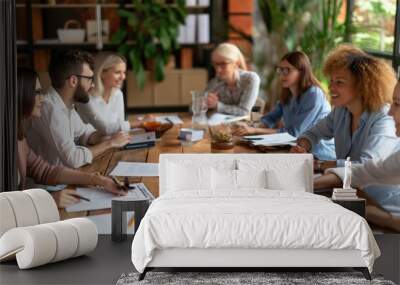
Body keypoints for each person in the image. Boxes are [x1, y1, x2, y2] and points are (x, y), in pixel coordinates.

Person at [17, 68, 126, 208]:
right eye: (37, 92)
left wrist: (99, 180)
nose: (42, 98)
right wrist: (49, 200)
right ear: (20, 94)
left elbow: (45, 171)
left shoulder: (19, 138)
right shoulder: (50, 109)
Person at [290, 44, 398, 170]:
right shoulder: (341, 111)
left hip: (370, 190)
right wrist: (302, 147)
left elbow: (365, 166)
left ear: (362, 87)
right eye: (331, 81)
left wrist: (319, 165)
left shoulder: (385, 118)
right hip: (347, 186)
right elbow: (313, 133)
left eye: (339, 82)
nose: (331, 88)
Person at [315, 81, 400, 232]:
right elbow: (366, 171)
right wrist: (308, 183)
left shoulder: (381, 117)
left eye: (398, 104)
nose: (390, 112)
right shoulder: (340, 112)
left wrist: (385, 218)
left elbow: (366, 167)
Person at [27, 50, 131, 168]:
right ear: (73, 81)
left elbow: (85, 133)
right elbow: (73, 159)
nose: (92, 85)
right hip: (50, 185)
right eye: (89, 79)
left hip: (63, 179)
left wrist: (114, 138)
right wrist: (110, 143)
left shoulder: (67, 105)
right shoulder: (50, 109)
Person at [233, 51, 335, 160]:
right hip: (295, 149)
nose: (282, 74)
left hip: (319, 155)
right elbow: (270, 119)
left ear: (302, 71)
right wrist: (251, 127)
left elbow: (294, 133)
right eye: (280, 70)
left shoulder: (313, 94)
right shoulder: (289, 94)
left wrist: (254, 130)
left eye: (287, 70)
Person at [75, 52, 140, 135]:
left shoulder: (118, 94)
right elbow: (104, 128)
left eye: (124, 72)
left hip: (114, 143)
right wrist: (139, 122)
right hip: (92, 145)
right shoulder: (85, 97)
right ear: (102, 73)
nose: (123, 77)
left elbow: (121, 127)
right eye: (117, 72)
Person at [205, 43, 260, 116]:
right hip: (221, 124)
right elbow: (193, 107)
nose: (218, 69)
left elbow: (244, 111)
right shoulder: (215, 82)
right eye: (215, 64)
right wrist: (204, 104)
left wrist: (217, 105)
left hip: (244, 125)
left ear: (236, 63)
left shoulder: (250, 79)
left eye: (223, 64)